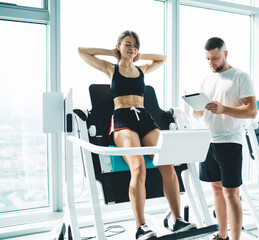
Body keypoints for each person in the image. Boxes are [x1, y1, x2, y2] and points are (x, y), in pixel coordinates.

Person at [78, 30, 196, 240]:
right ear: (119, 46)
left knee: (167, 164)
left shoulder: (141, 69)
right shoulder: (110, 68)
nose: (132, 48)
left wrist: (136, 55)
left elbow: (162, 58)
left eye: (135, 45)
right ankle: (140, 226)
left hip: (145, 119)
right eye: (127, 44)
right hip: (123, 121)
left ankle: (177, 220)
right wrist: (112, 53)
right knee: (138, 167)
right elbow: (82, 51)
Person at [193, 37, 257, 240]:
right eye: (208, 59)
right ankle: (222, 235)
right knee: (216, 190)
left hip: (230, 141)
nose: (211, 63)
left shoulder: (240, 77)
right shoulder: (205, 80)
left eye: (215, 58)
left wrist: (223, 109)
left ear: (225, 54)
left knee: (231, 194)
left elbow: (252, 111)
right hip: (208, 141)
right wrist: (195, 108)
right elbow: (200, 115)